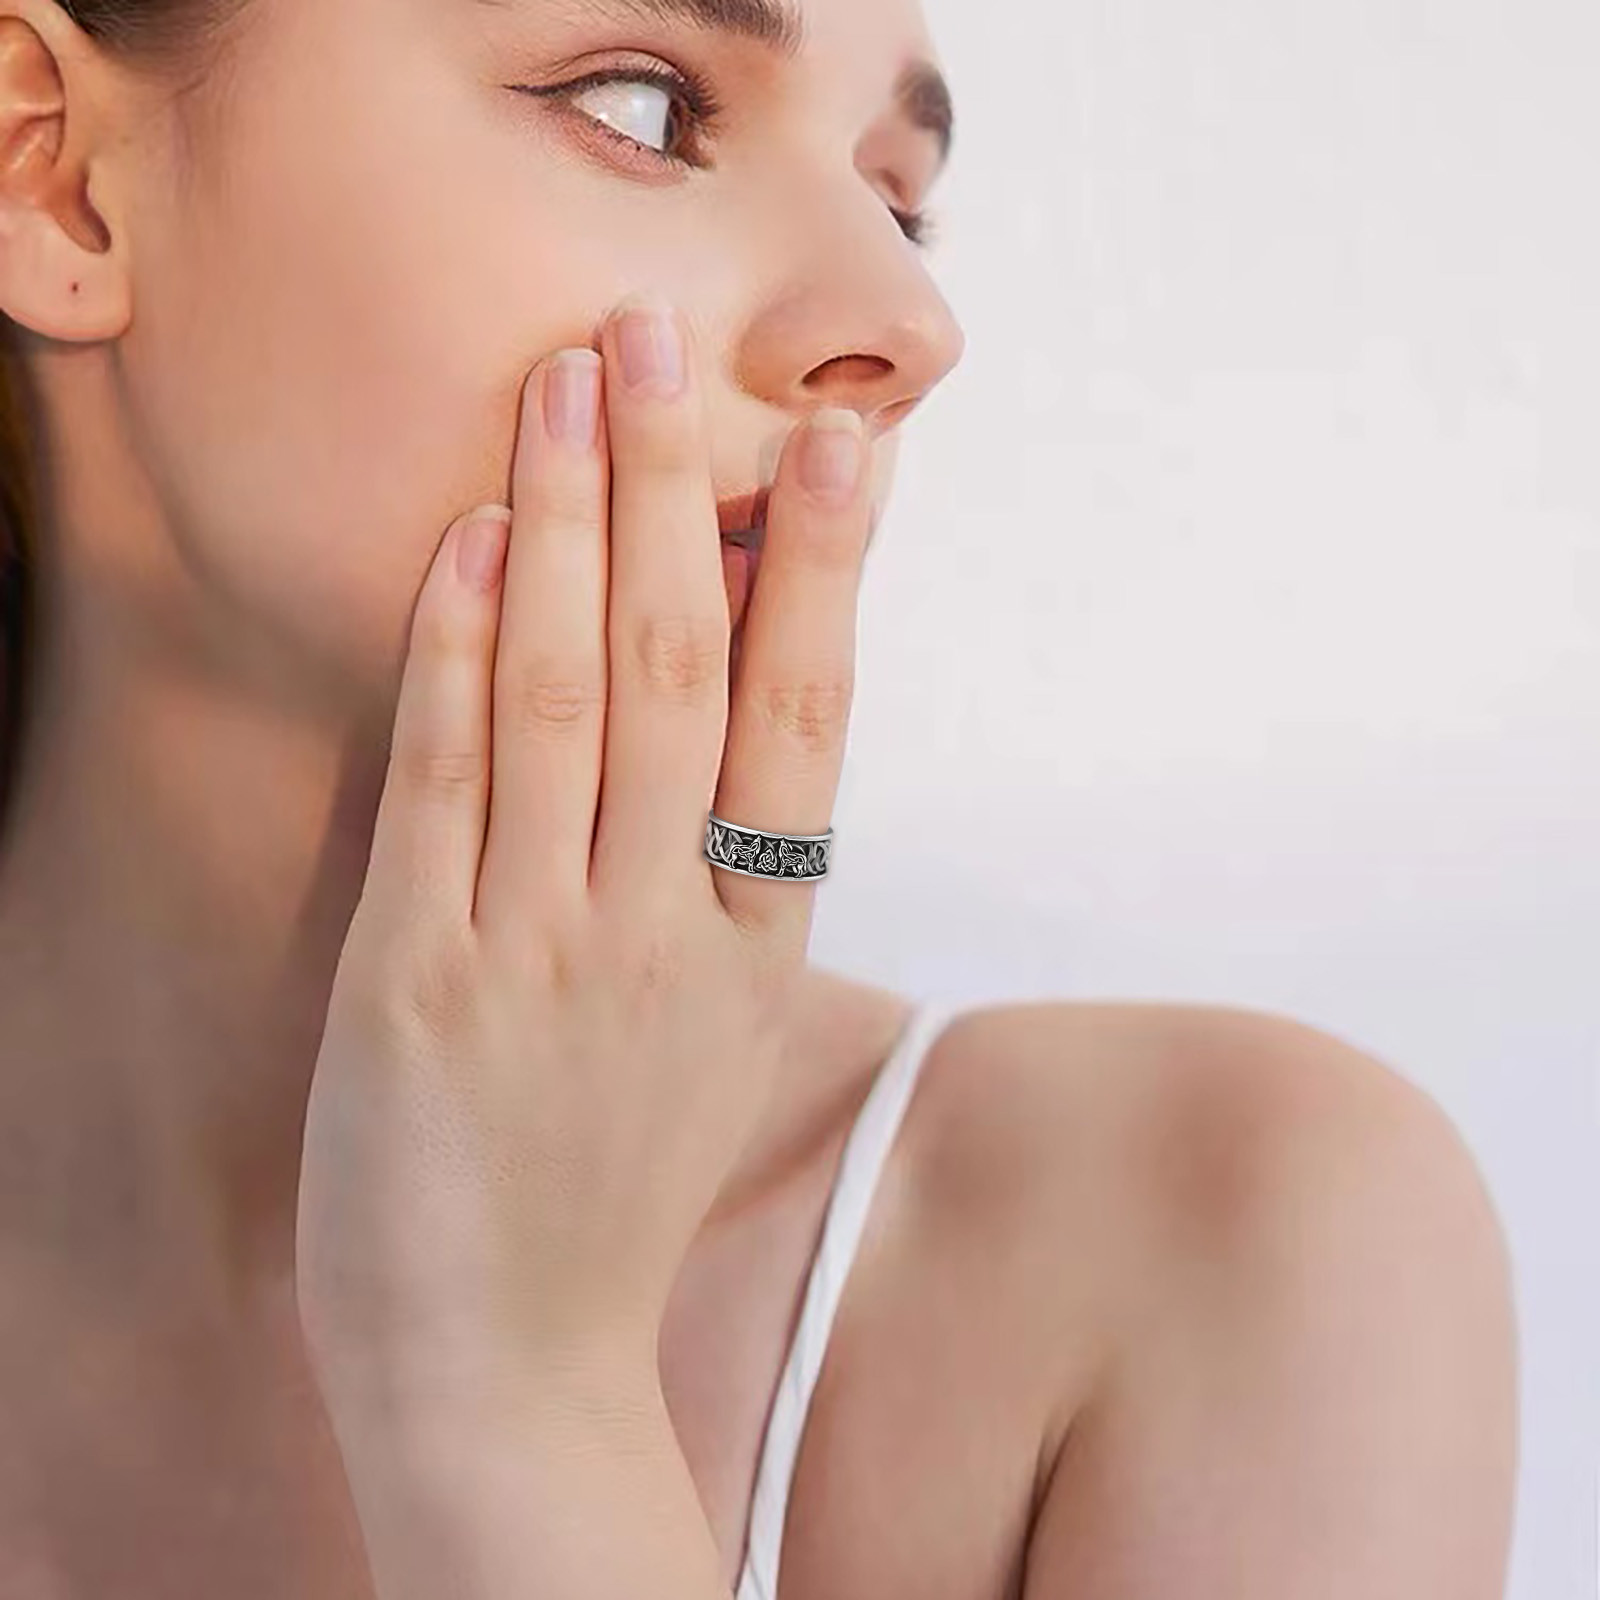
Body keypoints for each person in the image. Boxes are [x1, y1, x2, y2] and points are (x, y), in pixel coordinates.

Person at [0, 0, 1518, 1595]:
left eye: (895, 198)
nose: (907, 325)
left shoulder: (1244, 1244)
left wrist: (522, 1398)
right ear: (53, 172)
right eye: (645, 109)